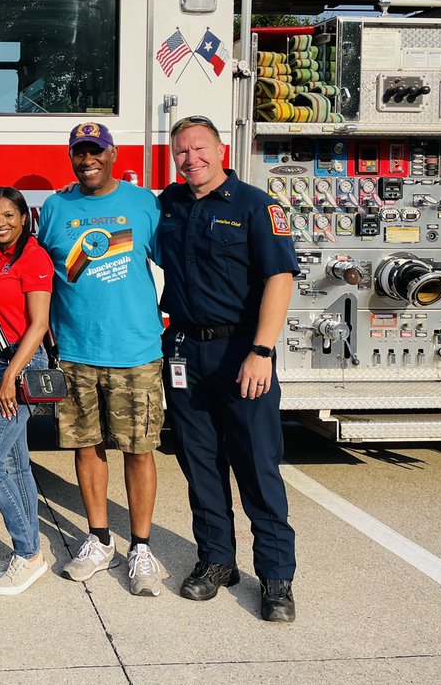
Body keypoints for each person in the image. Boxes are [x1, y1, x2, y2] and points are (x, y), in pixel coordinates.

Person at [156, 115, 298, 622]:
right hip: (184, 352)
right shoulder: (168, 204)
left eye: (199, 149)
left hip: (241, 353)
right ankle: (216, 560)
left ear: (221, 151)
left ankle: (277, 578)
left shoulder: (257, 205)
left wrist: (262, 351)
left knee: (257, 466)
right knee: (200, 465)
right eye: (181, 152)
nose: (190, 159)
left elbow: (280, 278)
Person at [36, 122, 165, 597]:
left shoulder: (143, 203)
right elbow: (40, 274)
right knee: (86, 448)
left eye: (96, 151)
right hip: (76, 351)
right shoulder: (55, 208)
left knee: (138, 450)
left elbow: (178, 262)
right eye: (79, 153)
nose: (87, 160)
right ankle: (99, 539)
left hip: (136, 350)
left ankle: (142, 547)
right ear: (71, 157)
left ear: (113, 154)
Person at [0, 187, 53, 596]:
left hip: (18, 371)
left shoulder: (34, 258)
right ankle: (29, 548)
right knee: (17, 466)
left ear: (24, 217)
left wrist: (8, 378)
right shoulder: (2, 260)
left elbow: (38, 326)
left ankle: (29, 554)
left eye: (8, 214)